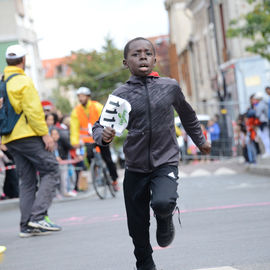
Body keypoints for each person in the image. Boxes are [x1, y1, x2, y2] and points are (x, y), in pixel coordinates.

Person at [93, 37, 211, 270]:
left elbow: (187, 115)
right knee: (137, 228)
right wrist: (103, 136)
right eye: (136, 54)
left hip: (165, 161)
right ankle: (145, 264)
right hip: (135, 166)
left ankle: (165, 219)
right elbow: (99, 125)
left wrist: (200, 141)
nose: (143, 57)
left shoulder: (169, 87)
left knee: (163, 201)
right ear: (126, 62)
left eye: (148, 53)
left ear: (155, 59)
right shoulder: (121, 95)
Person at [0, 44, 61, 237]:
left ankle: (26, 225)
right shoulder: (22, 81)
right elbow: (34, 111)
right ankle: (38, 217)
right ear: (23, 60)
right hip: (27, 134)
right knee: (51, 168)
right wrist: (45, 134)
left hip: (10, 138)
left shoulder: (3, 81)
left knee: (26, 180)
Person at [70, 86, 119, 191]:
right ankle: (97, 173)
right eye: (79, 96)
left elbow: (107, 118)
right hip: (87, 140)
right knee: (90, 157)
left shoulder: (97, 106)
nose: (81, 98)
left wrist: (108, 134)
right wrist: (74, 142)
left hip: (100, 137)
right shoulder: (76, 111)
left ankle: (114, 180)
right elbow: (74, 128)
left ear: (88, 96)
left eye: (82, 96)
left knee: (108, 159)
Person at [254, 91, 270, 158]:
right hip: (265, 122)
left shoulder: (261, 104)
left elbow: (257, 114)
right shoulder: (265, 103)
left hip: (263, 122)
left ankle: (268, 151)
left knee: (265, 137)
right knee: (265, 137)